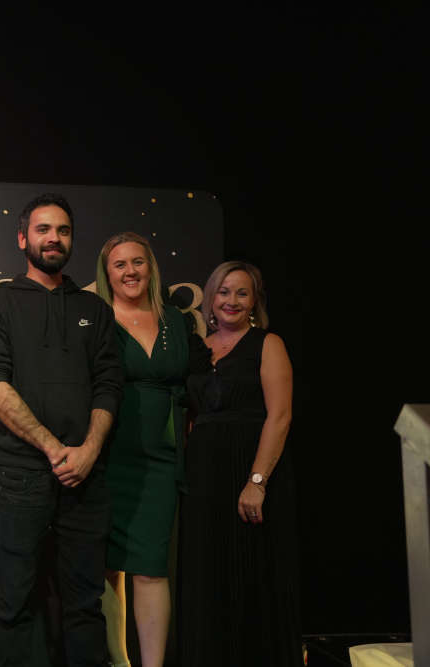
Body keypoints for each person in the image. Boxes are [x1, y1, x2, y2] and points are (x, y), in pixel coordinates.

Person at [0, 193, 124, 667]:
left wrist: (88, 450)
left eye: (62, 231)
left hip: (87, 477)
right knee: (15, 602)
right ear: (22, 239)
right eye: (43, 230)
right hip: (19, 476)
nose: (53, 238)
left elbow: (109, 385)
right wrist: (55, 449)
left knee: (85, 603)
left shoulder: (94, 308)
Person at [178, 261, 299, 666]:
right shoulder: (198, 349)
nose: (231, 300)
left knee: (252, 575)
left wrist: (257, 481)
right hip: (203, 480)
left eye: (241, 293)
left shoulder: (267, 344)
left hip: (251, 472)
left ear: (254, 301)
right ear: (211, 298)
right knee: (208, 577)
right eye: (224, 291)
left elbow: (280, 416)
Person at [95, 232, 193, 667]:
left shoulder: (175, 319)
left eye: (138, 262)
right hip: (109, 455)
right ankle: (118, 661)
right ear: (107, 273)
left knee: (152, 567)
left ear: (150, 267)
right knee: (105, 566)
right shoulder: (97, 318)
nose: (130, 271)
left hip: (161, 460)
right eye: (120, 264)